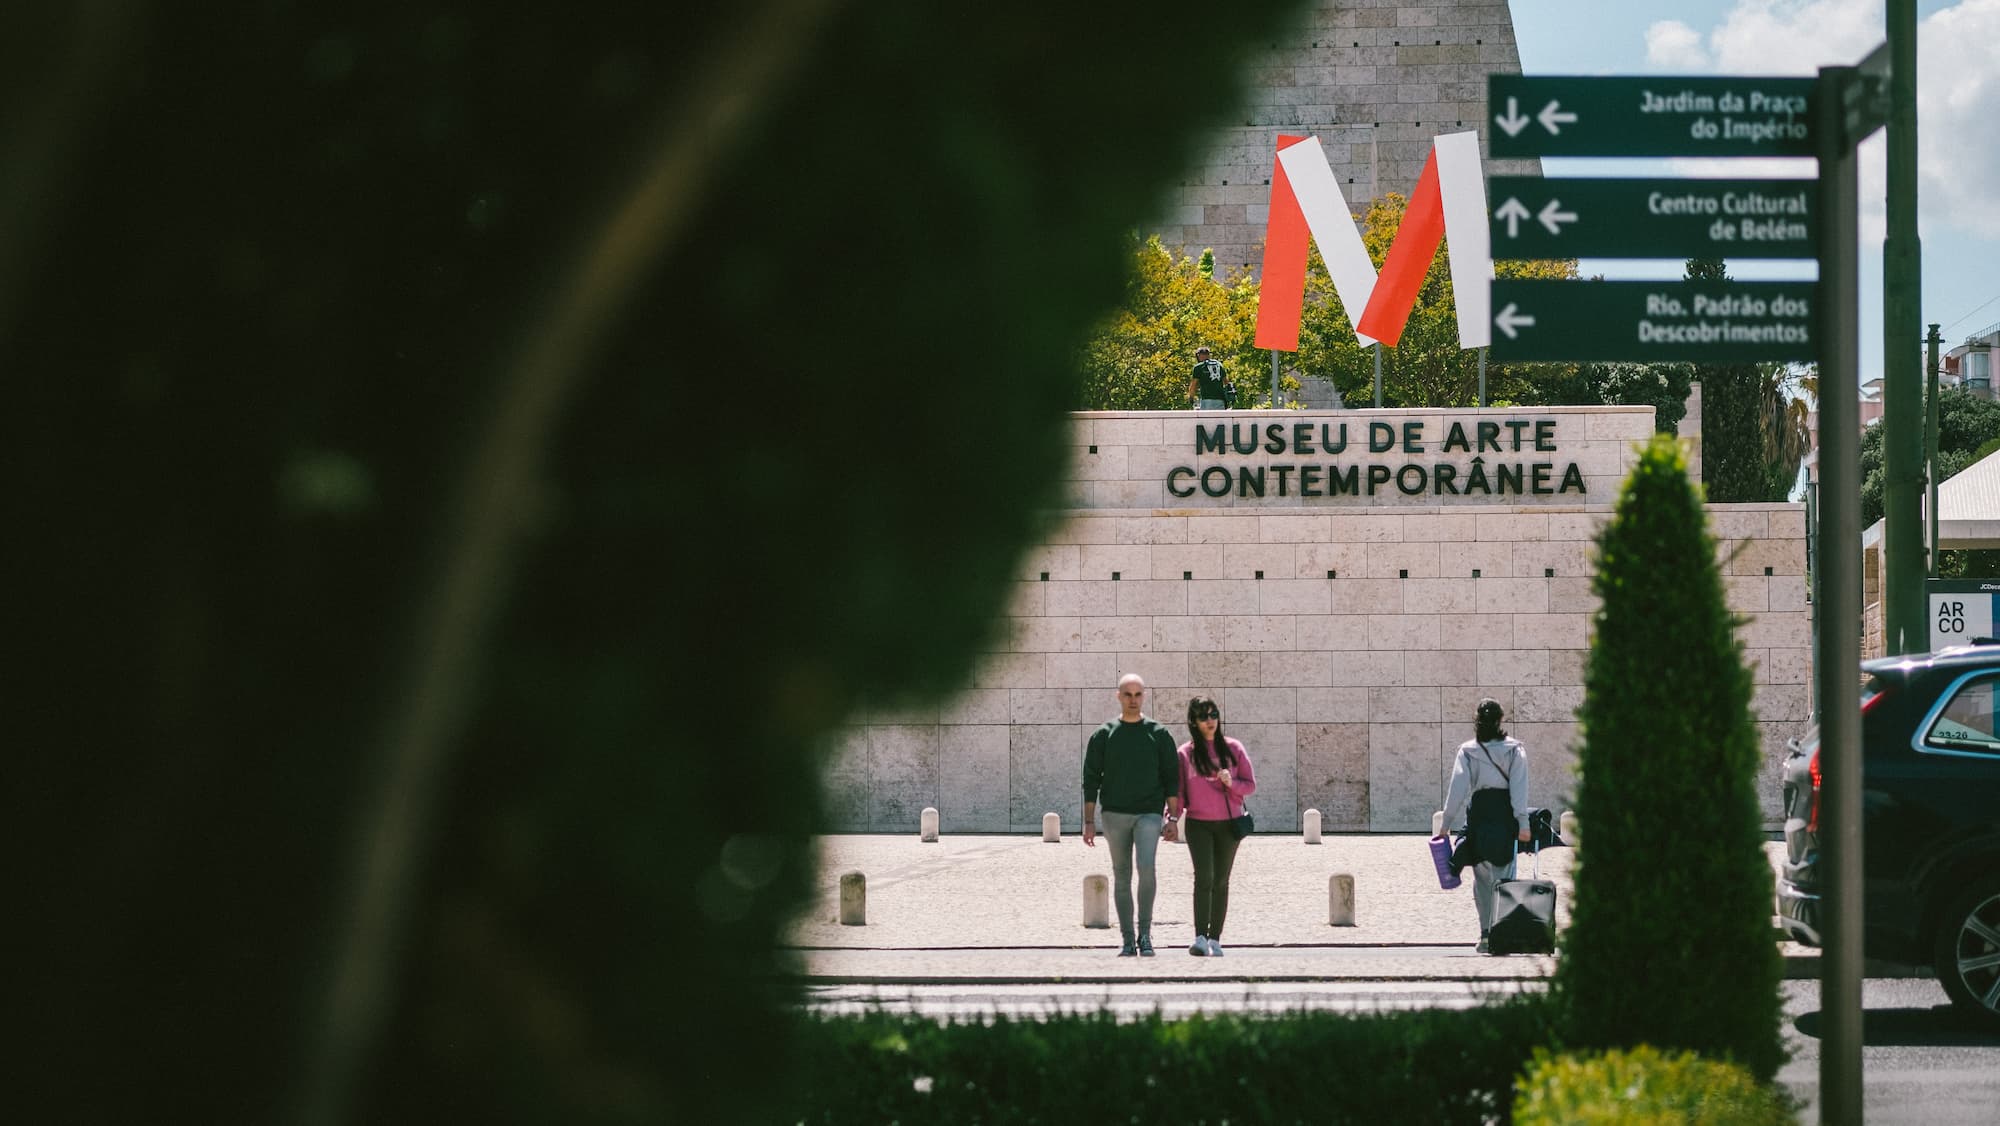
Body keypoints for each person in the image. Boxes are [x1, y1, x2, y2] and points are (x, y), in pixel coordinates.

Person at [1082, 674, 1182, 956]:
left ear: (1144, 696)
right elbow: (1090, 780)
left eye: (1138, 694)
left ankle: (1145, 935)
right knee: (1122, 875)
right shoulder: (1104, 734)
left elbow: (1171, 779)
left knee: (1147, 869)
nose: (1133, 700)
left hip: (1149, 814)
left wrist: (1172, 819)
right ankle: (1127, 939)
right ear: (1118, 696)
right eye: (1128, 694)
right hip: (1114, 814)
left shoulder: (1158, 734)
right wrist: (1089, 822)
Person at [1444, 698, 1532, 955]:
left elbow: (1457, 789)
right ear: (1500, 720)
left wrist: (1446, 824)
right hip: (1505, 815)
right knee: (1505, 875)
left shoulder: (1468, 751)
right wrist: (1523, 822)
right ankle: (1501, 932)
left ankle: (1485, 933)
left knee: (1481, 878)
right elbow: (1519, 790)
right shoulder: (1515, 750)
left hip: (1480, 815)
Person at [1177, 696, 1255, 956]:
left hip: (1228, 825)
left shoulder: (1233, 748)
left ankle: (1215, 939)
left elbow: (1250, 785)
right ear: (1194, 722)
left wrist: (1231, 782)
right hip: (1199, 824)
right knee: (1204, 878)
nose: (1210, 720)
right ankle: (1199, 937)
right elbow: (1179, 792)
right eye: (1203, 716)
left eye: (1213, 714)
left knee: (1221, 880)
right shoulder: (1185, 754)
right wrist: (1171, 818)